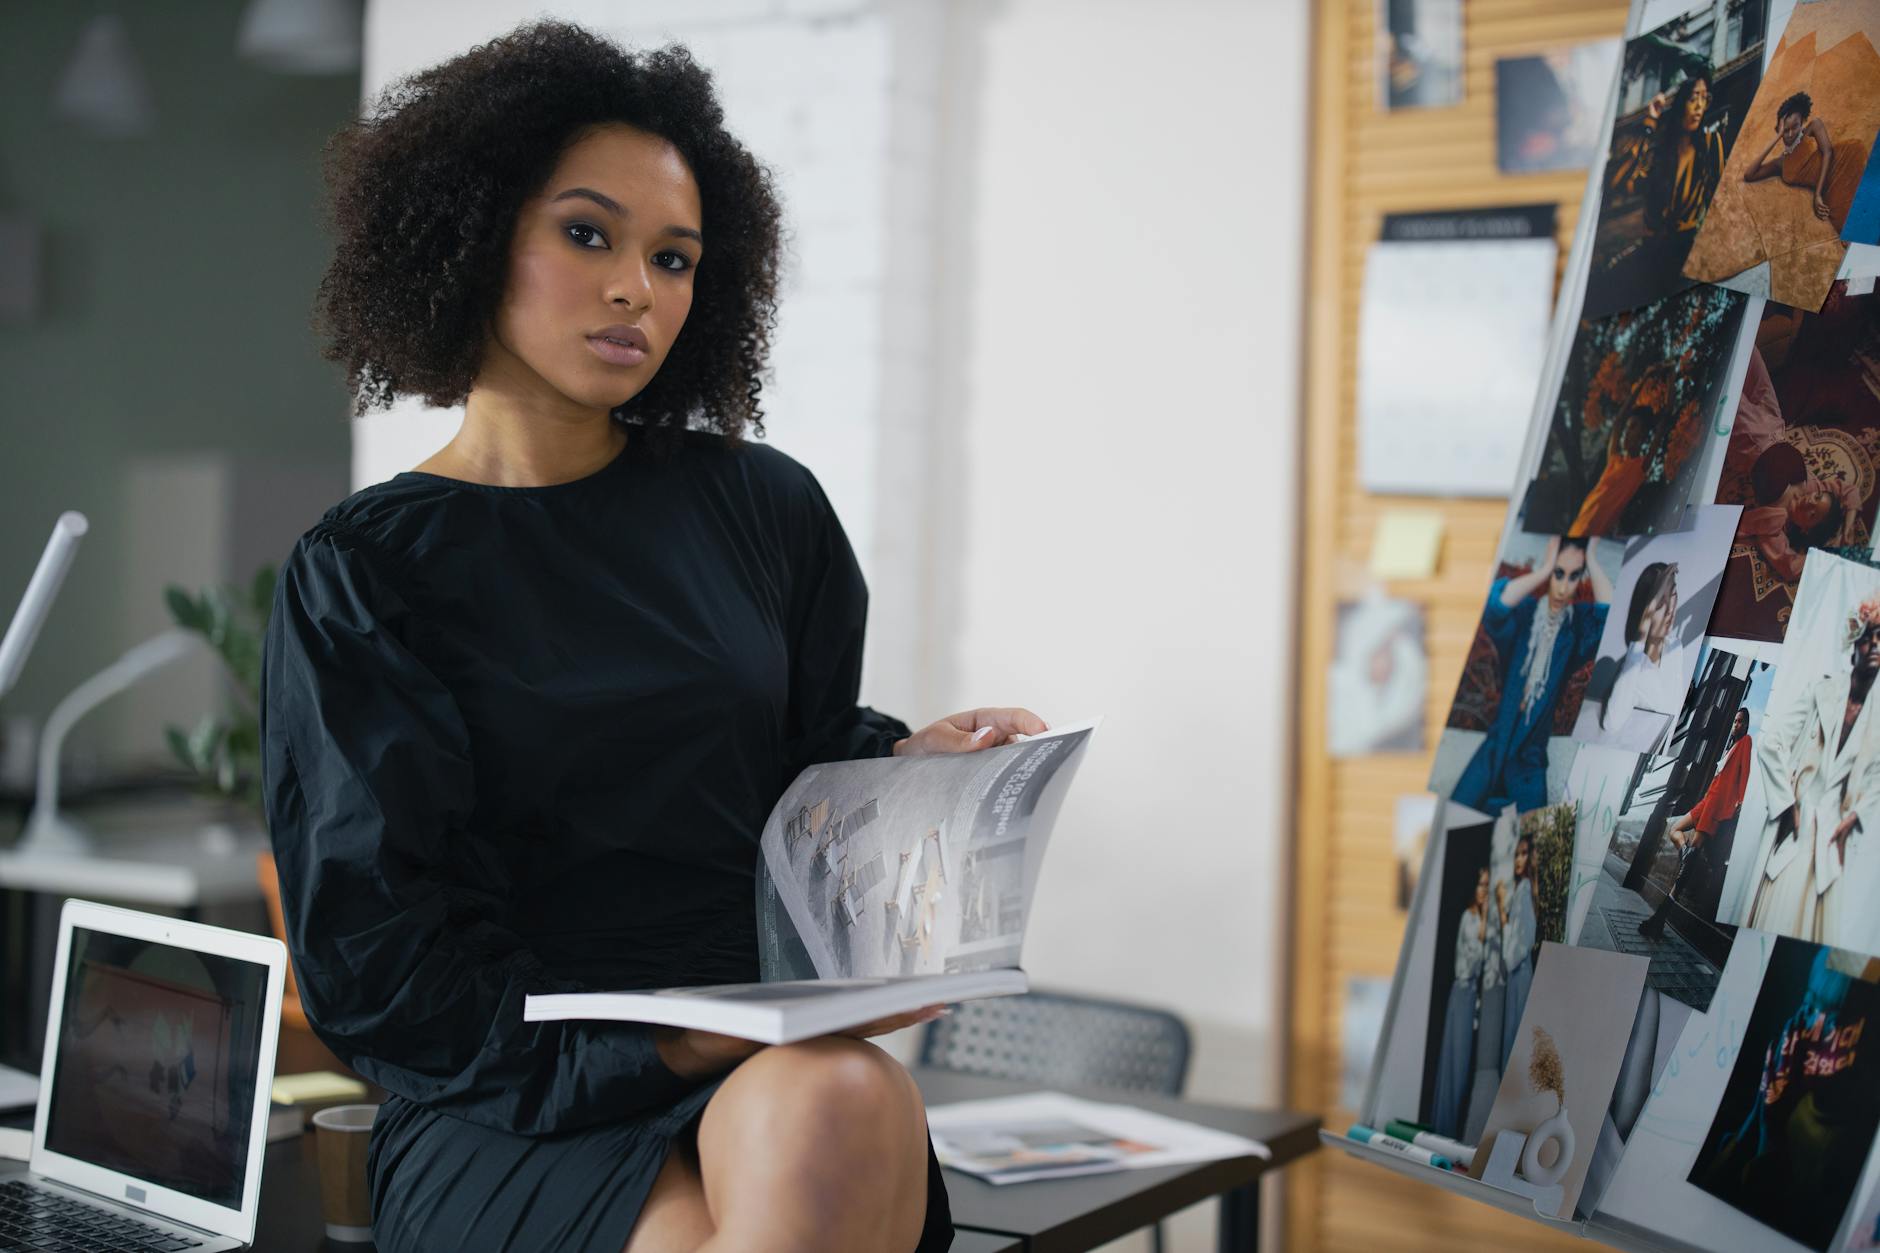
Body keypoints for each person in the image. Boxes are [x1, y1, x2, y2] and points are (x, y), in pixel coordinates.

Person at [259, 22, 1045, 1253]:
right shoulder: (364, 572)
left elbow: (791, 760)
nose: (638, 287)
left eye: (673, 257)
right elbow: (377, 960)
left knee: (844, 1097)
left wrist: (905, 766)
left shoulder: (763, 507)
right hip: (504, 1089)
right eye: (589, 235)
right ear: (471, 235)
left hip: (757, 1047)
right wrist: (678, 1035)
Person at [1748, 595, 1880, 947]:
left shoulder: (1877, 717)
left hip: (1833, 843)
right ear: (1853, 643)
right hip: (1797, 828)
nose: (1874, 645)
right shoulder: (1821, 690)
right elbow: (1771, 742)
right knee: (1772, 923)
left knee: (1812, 942)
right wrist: (1786, 805)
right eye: (1867, 636)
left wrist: (1855, 817)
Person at [1452, 535, 1614, 814]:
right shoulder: (1525, 614)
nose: (1563, 587)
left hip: (1530, 760)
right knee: (1455, 817)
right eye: (1558, 573)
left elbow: (1608, 616)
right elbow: (1496, 606)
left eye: (1573, 576)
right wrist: (1543, 570)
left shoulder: (1575, 627)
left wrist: (1593, 560)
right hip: (1495, 748)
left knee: (1531, 835)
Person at [1640, 707, 1753, 939]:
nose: (1736, 725)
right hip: (1707, 801)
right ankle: (1686, 853)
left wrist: (1740, 802)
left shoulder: (1746, 742)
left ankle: (1659, 919)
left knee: (1685, 870)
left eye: (1741, 722)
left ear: (1747, 725)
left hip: (1716, 806)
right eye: (1735, 721)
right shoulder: (1730, 746)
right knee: (1675, 829)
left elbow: (1745, 774)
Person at [1604, 74, 1727, 275]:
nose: (1699, 106)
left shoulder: (1710, 143)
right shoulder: (1660, 151)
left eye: (1704, 98)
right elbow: (1622, 184)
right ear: (1679, 105)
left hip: (1686, 250)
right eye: (1693, 98)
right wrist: (1650, 123)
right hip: (1652, 252)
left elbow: (1720, 198)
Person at [1743, 91, 1869, 234]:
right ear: (1778, 129)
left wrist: (1817, 195)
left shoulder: (1813, 127)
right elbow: (1749, 175)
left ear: (1802, 122)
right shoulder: (1780, 163)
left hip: (1847, 159)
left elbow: (1828, 152)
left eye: (1795, 126)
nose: (1791, 134)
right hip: (1830, 187)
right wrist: (1777, 137)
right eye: (1785, 130)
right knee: (1853, 225)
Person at [1432, 867, 1490, 1140]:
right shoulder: (1470, 918)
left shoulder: (1485, 920)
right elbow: (1472, 960)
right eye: (1481, 884)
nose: (1484, 890)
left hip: (1471, 997)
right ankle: (1445, 1127)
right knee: (1455, 1063)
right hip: (1462, 993)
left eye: (1487, 885)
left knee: (1464, 1067)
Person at [1596, 561, 1684, 742]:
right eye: (1660, 603)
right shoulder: (1634, 668)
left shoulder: (1675, 647)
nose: (1670, 610)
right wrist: (1645, 623)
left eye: (1673, 595)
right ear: (1645, 610)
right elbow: (1611, 724)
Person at [1496, 833, 1538, 1071]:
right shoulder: (1524, 888)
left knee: (1513, 1042)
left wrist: (1503, 914)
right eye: (1516, 855)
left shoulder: (1524, 890)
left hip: (1519, 974)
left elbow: (1516, 949)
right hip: (1520, 973)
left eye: (1523, 854)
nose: (1519, 860)